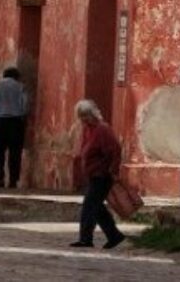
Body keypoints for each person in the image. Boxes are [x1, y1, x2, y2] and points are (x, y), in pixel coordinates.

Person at [70, 99, 127, 249]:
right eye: (81, 116)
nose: (83, 119)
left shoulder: (102, 130)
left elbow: (115, 150)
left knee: (89, 206)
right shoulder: (87, 129)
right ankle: (114, 235)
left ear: (93, 114)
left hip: (102, 175)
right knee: (96, 207)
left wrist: (113, 170)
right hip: (93, 174)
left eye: (85, 115)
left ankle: (86, 238)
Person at [0, 67, 29, 188]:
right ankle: (13, 180)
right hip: (15, 122)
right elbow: (25, 106)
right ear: (16, 76)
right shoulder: (21, 87)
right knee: (15, 152)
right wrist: (23, 120)